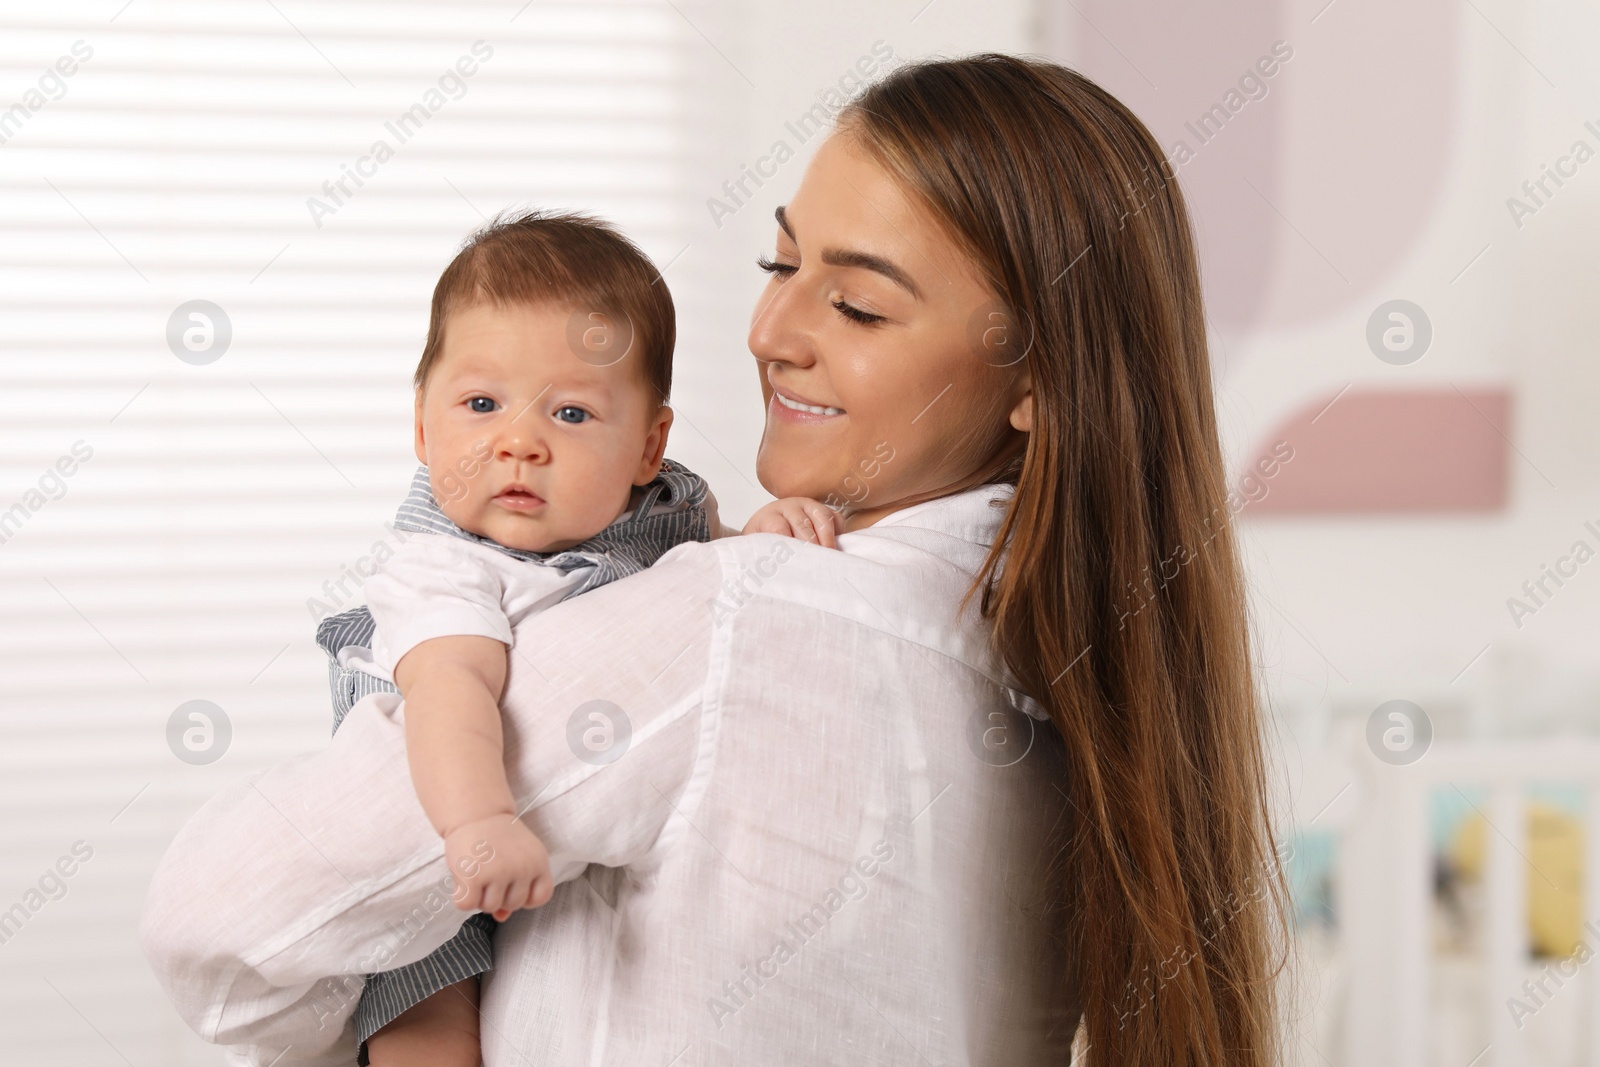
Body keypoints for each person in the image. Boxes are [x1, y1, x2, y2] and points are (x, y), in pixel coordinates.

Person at [141, 54, 1286, 1066]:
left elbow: (220, 916)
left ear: (1037, 378)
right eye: (777, 261)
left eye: (857, 305)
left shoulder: (731, 621)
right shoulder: (1071, 682)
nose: (769, 329)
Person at [302, 210, 843, 1064]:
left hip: (571, 848)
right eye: (480, 404)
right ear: (420, 426)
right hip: (437, 807)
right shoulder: (442, 565)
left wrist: (764, 533)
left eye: (572, 413)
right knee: (430, 1009)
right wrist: (478, 821)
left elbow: (717, 566)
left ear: (647, 447)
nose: (519, 442)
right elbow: (452, 689)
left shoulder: (665, 508)